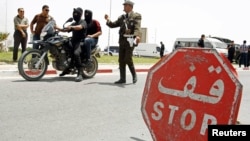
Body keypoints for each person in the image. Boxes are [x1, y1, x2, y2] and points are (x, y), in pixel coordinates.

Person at [105, 0, 142, 84]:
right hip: (122, 41)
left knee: (128, 59)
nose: (124, 7)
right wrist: (108, 20)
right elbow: (113, 24)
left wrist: (137, 36)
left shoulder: (136, 16)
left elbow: (137, 27)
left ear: (130, 6)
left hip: (130, 40)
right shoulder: (122, 17)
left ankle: (134, 75)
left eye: (125, 5)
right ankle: (122, 79)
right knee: (121, 60)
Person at [59, 7, 87, 82]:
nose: (74, 15)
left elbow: (79, 27)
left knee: (76, 53)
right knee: (64, 46)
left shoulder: (83, 22)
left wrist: (71, 27)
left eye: (76, 13)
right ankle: (68, 67)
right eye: (74, 13)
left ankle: (80, 73)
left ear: (80, 14)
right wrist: (56, 28)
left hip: (80, 42)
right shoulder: (74, 23)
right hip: (73, 41)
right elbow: (65, 29)